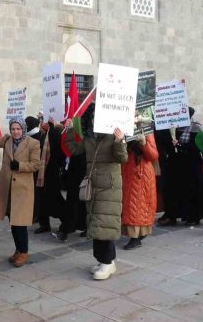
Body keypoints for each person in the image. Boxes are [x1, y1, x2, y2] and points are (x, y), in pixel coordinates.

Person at [64, 104, 128, 281]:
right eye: (92, 117)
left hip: (109, 187)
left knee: (104, 223)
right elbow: (74, 149)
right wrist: (69, 130)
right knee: (96, 223)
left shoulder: (113, 135)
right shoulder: (89, 137)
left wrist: (119, 141)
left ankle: (107, 262)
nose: (94, 120)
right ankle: (104, 261)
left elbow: (122, 158)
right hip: (94, 186)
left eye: (97, 116)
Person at [0, 118, 41, 267]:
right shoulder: (7, 140)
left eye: (18, 129)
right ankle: (18, 249)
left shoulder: (33, 143)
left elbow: (36, 164)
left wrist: (20, 165)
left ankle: (24, 252)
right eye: (13, 129)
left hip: (22, 190)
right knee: (13, 221)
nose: (15, 131)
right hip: (7, 189)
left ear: (23, 129)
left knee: (20, 223)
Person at [157, 108, 203, 226]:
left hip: (192, 164)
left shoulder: (196, 127)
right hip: (178, 163)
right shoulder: (176, 127)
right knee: (176, 189)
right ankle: (174, 214)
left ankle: (194, 215)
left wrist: (179, 144)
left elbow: (198, 147)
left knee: (192, 190)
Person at [121, 134, 158, 250]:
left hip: (141, 174)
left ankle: (135, 238)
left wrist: (143, 143)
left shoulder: (146, 130)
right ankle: (139, 234)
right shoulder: (122, 128)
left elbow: (154, 156)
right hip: (127, 172)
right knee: (130, 205)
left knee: (137, 206)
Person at [34, 121, 66, 236]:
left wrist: (52, 129)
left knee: (54, 198)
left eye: (45, 120)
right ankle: (44, 224)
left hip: (52, 171)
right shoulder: (42, 133)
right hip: (41, 171)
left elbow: (58, 150)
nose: (42, 122)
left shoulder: (57, 131)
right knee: (41, 198)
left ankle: (66, 222)